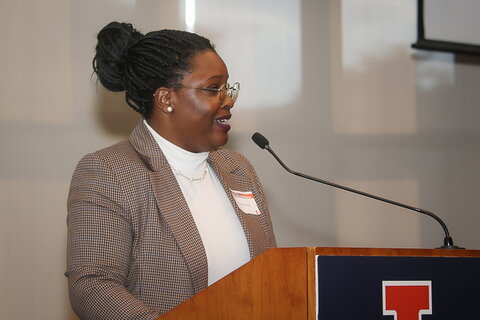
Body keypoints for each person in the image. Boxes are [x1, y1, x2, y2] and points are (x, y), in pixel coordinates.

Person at [66, 22, 276, 319]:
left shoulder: (238, 169)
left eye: (227, 88)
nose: (228, 100)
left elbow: (271, 275)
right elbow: (94, 286)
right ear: (166, 99)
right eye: (213, 89)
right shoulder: (108, 172)